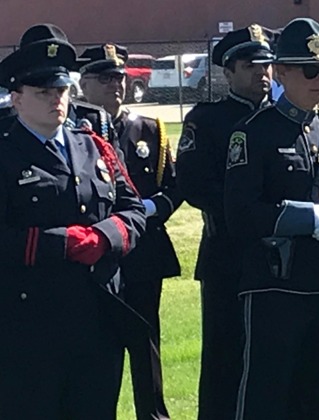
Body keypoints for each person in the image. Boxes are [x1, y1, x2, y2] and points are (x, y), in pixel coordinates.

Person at [223, 17, 319, 419]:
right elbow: (240, 214)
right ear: (281, 72)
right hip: (279, 284)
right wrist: (307, 219)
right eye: (310, 71)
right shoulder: (253, 132)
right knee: (269, 395)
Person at [0, 23, 146, 419]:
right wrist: (59, 244)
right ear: (16, 98)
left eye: (61, 90)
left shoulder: (94, 145)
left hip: (99, 318)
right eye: (42, 92)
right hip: (30, 325)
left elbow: (133, 209)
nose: (55, 100)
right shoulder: (6, 154)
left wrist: (104, 237)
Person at [175, 23, 277, 420]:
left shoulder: (282, 119)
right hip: (228, 255)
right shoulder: (208, 119)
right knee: (224, 355)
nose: (261, 72)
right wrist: (249, 210)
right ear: (228, 71)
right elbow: (193, 184)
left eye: (266, 64)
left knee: (275, 355)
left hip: (280, 258)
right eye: (250, 64)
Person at [78, 42, 183, 420]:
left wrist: (147, 210)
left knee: (145, 339)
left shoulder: (148, 129)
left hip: (143, 251)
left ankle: (153, 414)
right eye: (105, 77)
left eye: (119, 77)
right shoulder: (75, 131)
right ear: (83, 83)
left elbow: (174, 187)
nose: (115, 85)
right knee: (95, 346)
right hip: (95, 256)